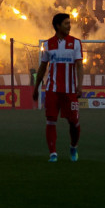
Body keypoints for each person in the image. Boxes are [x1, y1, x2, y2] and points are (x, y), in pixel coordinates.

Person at [32, 12, 83, 163]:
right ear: (58, 26)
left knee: (74, 122)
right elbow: (42, 67)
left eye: (69, 23)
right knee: (51, 121)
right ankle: (53, 153)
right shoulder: (48, 44)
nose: (69, 26)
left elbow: (80, 66)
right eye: (66, 23)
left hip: (70, 91)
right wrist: (36, 87)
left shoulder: (76, 43)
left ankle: (73, 147)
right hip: (52, 90)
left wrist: (80, 86)